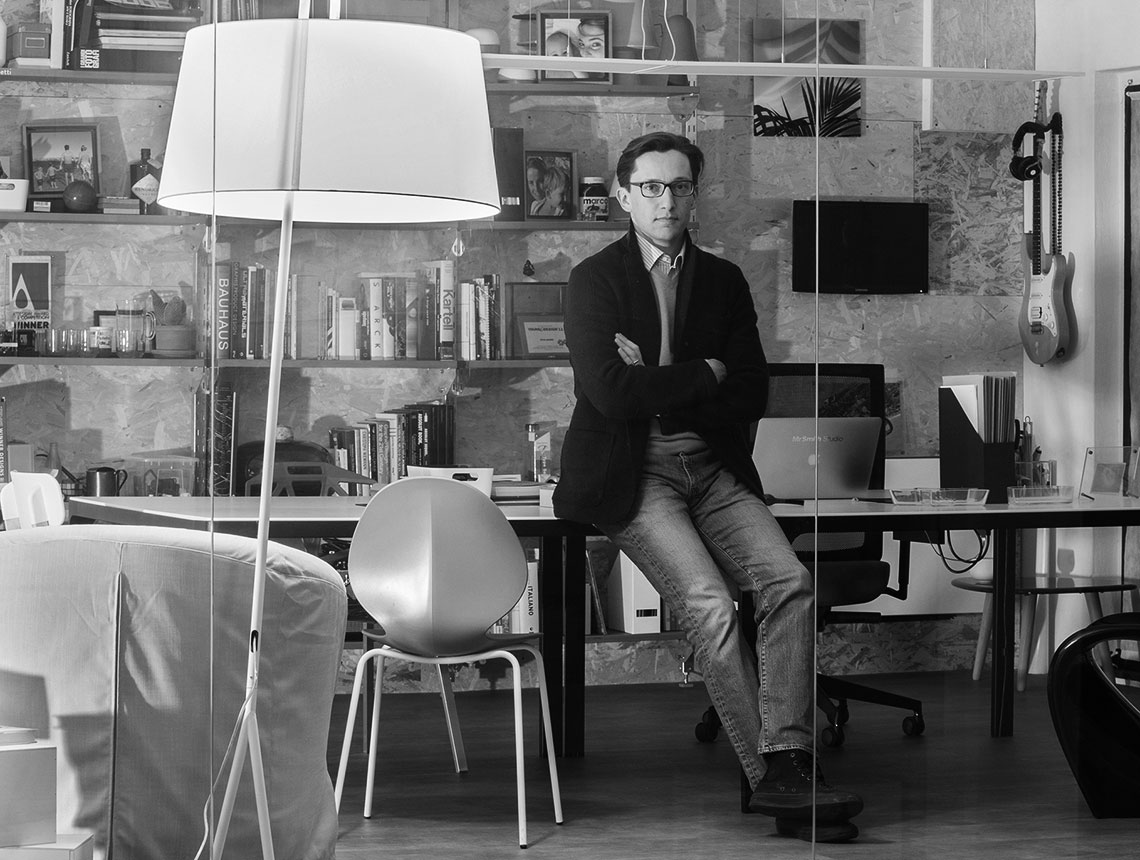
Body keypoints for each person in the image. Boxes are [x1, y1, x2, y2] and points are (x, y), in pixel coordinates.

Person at [552, 131, 864, 842]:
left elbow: (750, 391)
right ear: (624, 195)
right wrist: (704, 372)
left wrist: (659, 381)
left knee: (789, 581)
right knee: (711, 605)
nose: (666, 200)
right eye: (651, 187)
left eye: (680, 186)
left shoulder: (723, 280)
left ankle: (789, 758)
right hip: (635, 476)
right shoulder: (594, 280)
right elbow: (609, 394)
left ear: (695, 195)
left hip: (715, 472)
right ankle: (780, 781)